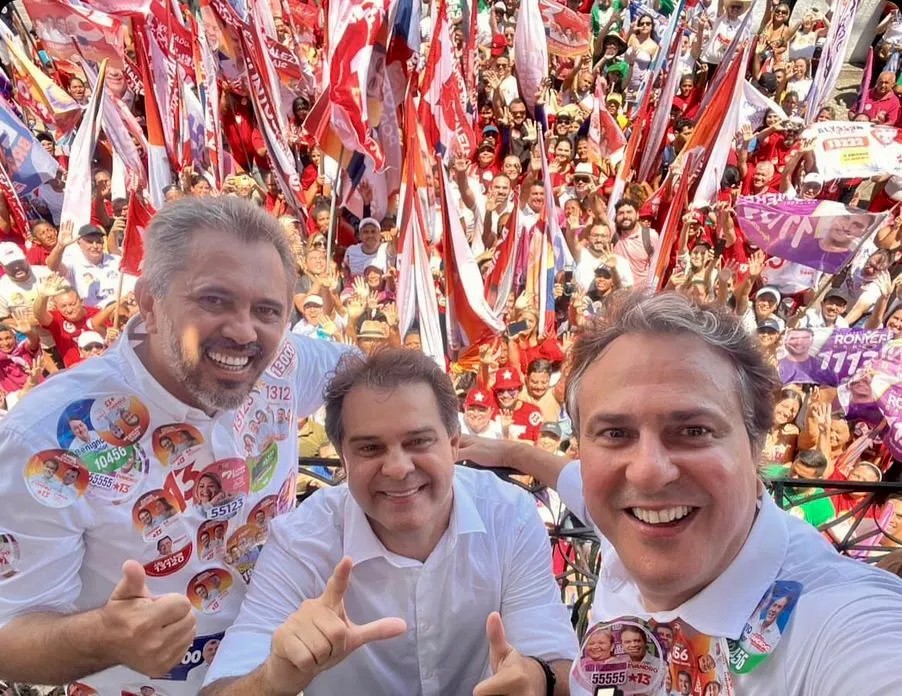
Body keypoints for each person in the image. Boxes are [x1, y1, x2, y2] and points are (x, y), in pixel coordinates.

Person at [460, 291, 902, 694]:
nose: (648, 472)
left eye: (693, 431)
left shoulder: (842, 623)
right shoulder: (622, 514)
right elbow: (570, 477)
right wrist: (509, 452)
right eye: (615, 433)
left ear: (755, 445)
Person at [0, 197, 349, 694]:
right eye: (214, 300)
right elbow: (8, 634)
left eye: (267, 310)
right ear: (149, 302)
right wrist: (102, 637)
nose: (244, 331)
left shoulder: (286, 361)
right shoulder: (42, 436)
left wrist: (482, 452)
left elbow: (368, 376)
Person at [199, 348, 577, 695]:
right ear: (343, 458)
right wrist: (273, 678)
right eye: (369, 448)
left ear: (454, 444)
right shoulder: (300, 542)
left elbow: (560, 667)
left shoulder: (509, 515)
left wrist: (536, 679)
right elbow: (222, 686)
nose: (397, 468)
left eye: (418, 442)